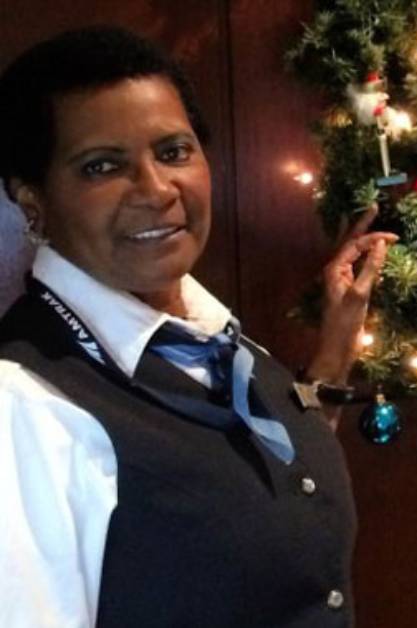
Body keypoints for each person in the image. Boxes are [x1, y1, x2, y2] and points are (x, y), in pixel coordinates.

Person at [0, 27, 395, 627]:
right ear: (33, 201)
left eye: (173, 152)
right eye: (102, 166)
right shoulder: (22, 405)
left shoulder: (214, 337)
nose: (156, 191)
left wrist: (336, 347)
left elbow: (262, 480)